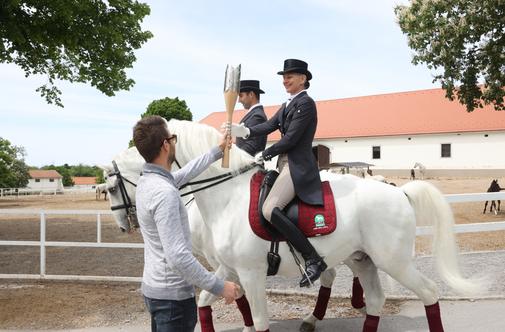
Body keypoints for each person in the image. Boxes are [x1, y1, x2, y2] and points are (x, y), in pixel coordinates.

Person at [133, 115, 240, 332]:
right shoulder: (165, 193)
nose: (174, 142)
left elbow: (183, 174)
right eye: (172, 138)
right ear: (165, 144)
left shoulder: (147, 182)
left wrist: (217, 151)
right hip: (173, 302)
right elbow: (178, 257)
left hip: (155, 292)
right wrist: (220, 286)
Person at [230, 59, 327, 287]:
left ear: (303, 79)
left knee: (269, 209)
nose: (285, 80)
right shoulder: (287, 104)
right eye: (283, 76)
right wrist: (245, 130)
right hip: (284, 164)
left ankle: (312, 258)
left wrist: (265, 153)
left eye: (290, 76)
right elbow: (269, 125)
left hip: (297, 165)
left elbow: (291, 138)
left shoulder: (306, 104)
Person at [236, 80, 268, 156]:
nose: (239, 101)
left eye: (241, 96)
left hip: (249, 164)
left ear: (251, 94)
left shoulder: (257, 116)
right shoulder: (254, 114)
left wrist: (235, 157)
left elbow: (252, 145)